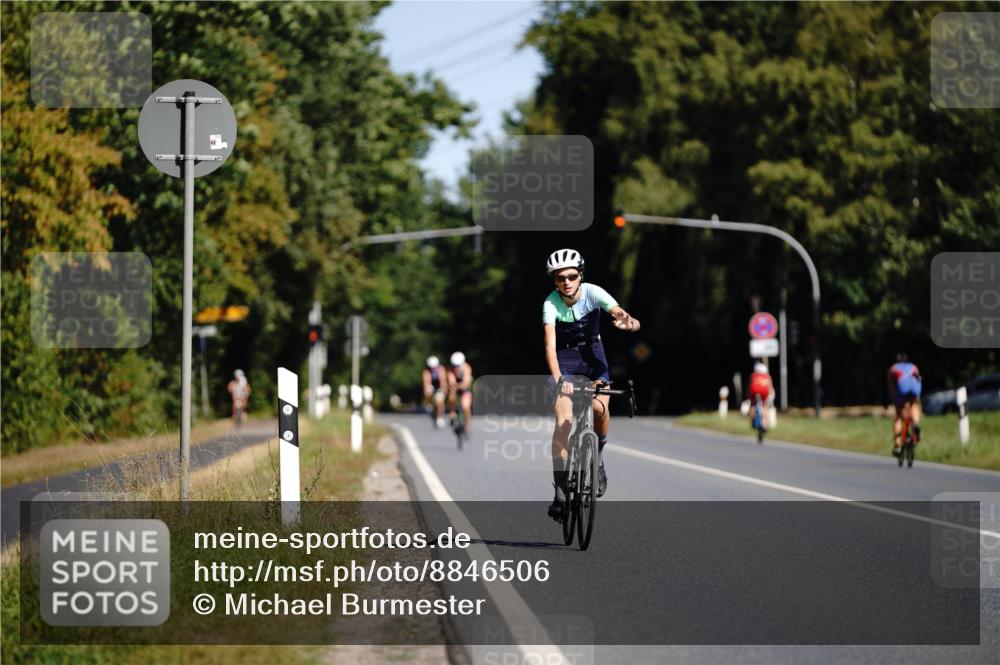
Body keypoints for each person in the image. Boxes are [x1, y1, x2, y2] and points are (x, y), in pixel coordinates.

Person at [543, 248, 640, 520]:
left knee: (599, 409)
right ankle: (560, 492)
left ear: (580, 275)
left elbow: (621, 314)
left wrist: (627, 322)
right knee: (563, 422)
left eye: (572, 276)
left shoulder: (593, 292)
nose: (567, 282)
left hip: (594, 358)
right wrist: (559, 378)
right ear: (554, 281)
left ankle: (597, 459)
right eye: (560, 277)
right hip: (565, 361)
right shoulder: (550, 303)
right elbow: (549, 346)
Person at [887, 352, 922, 456]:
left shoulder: (893, 368)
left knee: (898, 415)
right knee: (914, 404)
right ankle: (916, 423)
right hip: (915, 387)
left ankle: (897, 446)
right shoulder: (913, 366)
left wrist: (893, 398)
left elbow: (891, 386)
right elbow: (919, 380)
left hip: (902, 387)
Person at [447, 351, 473, 433]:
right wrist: (454, 386)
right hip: (455, 388)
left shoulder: (466, 368)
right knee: (451, 396)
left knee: (466, 407)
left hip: (465, 390)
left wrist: (458, 385)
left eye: (457, 366)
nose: (456, 367)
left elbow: (466, 383)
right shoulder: (450, 368)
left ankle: (466, 426)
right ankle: (452, 412)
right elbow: (451, 381)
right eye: (454, 366)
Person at [747, 362, 775, 431]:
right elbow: (770, 387)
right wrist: (771, 395)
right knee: (765, 406)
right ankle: (765, 425)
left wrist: (749, 396)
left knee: (752, 405)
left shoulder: (753, 375)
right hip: (764, 393)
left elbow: (750, 388)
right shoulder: (767, 376)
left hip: (754, 393)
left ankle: (753, 421)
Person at [422, 355, 448, 428]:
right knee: (428, 392)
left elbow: (443, 381)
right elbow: (426, 382)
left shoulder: (441, 369)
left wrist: (443, 390)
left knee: (440, 402)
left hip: (439, 387)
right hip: (431, 386)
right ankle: (429, 404)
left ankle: (440, 417)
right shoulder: (426, 371)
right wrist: (428, 390)